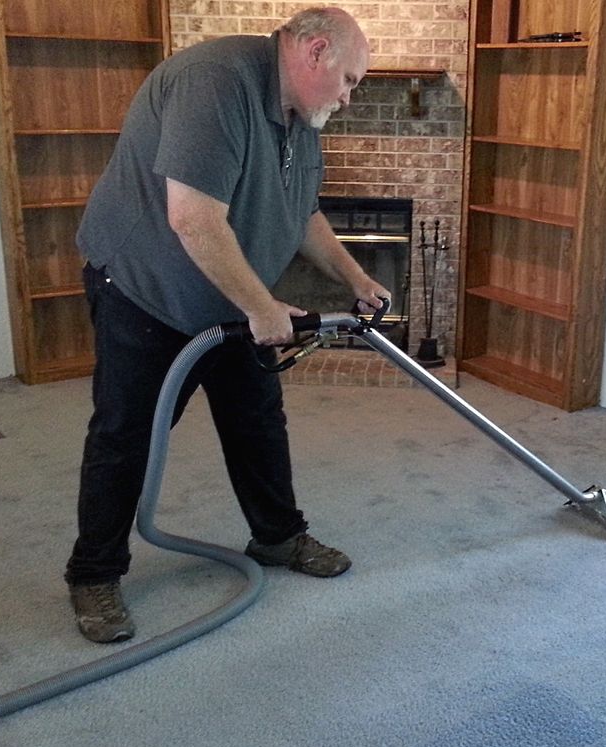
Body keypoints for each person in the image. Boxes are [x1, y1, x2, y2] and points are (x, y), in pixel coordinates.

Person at [65, 7, 390, 643]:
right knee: (126, 431)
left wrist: (356, 279)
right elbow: (193, 219)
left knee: (257, 418)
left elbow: (303, 216)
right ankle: (93, 573)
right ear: (315, 51)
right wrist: (263, 307)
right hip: (146, 289)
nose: (350, 97)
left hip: (231, 297)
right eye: (349, 80)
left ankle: (277, 537)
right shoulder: (214, 83)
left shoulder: (301, 116)